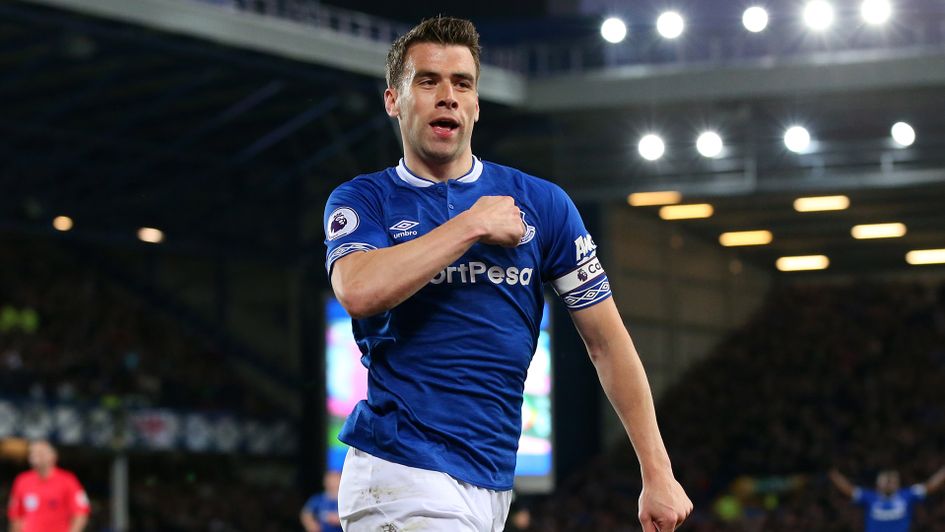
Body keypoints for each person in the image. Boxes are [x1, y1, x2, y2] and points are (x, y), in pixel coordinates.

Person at [324, 16, 692, 532]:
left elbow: (608, 342)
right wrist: (471, 224)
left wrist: (657, 471)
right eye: (427, 82)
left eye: (462, 84)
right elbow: (359, 290)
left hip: (492, 482)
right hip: (400, 471)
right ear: (394, 100)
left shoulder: (544, 204)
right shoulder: (366, 200)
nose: (447, 97)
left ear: (476, 104)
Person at [6, 440, 89, 532]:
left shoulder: (68, 480)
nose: (35, 457)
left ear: (53, 456)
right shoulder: (22, 480)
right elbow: (16, 516)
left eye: (40, 453)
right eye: (32, 453)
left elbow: (81, 513)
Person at [829, 466, 945, 532]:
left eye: (892, 480)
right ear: (877, 483)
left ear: (898, 483)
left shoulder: (907, 495)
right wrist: (833, 473)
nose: (889, 483)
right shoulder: (869, 497)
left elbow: (930, 485)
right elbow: (849, 489)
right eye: (886, 480)